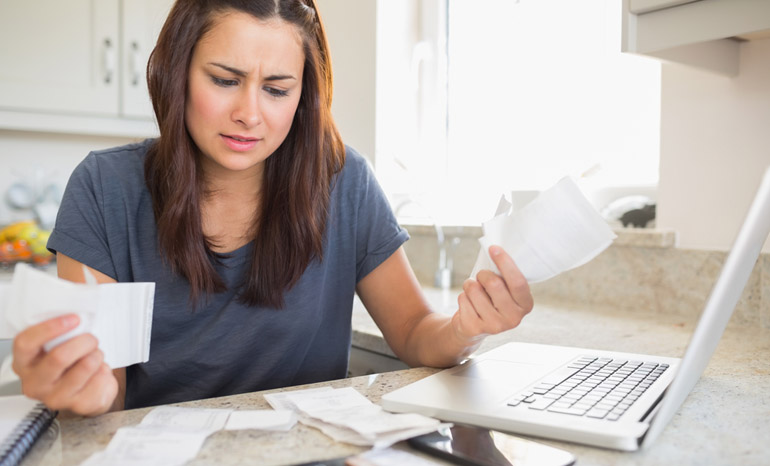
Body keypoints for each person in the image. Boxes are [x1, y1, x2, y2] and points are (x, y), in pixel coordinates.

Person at [11, 0, 533, 417]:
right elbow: (108, 399)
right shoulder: (106, 188)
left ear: (303, 94)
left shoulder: (344, 181)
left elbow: (417, 334)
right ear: (176, 72)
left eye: (277, 89)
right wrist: (78, 389)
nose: (249, 115)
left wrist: (467, 328)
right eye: (224, 80)